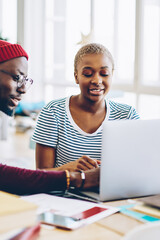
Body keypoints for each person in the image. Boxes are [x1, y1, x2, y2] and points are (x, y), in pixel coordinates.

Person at [0, 40, 99, 195]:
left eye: (25, 80)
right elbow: (5, 177)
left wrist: (65, 172)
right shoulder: (54, 111)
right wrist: (79, 178)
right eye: (17, 78)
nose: (23, 89)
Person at [32, 43, 140, 172]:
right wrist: (68, 169)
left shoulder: (127, 115)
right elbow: (41, 176)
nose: (97, 80)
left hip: (113, 192)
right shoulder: (53, 112)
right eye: (88, 74)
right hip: (64, 192)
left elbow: (138, 167)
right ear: (76, 77)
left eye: (104, 73)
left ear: (112, 75)